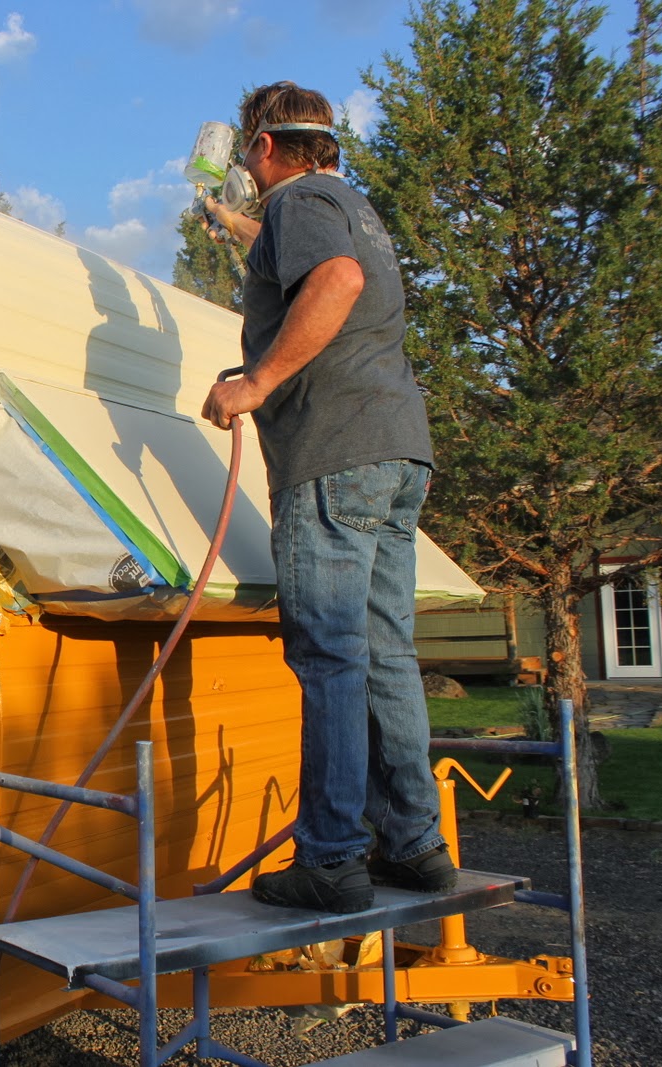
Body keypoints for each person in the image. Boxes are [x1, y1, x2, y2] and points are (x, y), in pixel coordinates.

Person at [199, 82, 456, 913]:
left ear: (267, 148)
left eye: (245, 152)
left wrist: (257, 379)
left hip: (333, 456)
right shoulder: (348, 205)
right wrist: (236, 227)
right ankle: (414, 842)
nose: (242, 167)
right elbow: (337, 263)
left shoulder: (298, 203)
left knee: (331, 652)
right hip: (396, 451)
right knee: (383, 648)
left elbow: (333, 281)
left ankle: (334, 858)